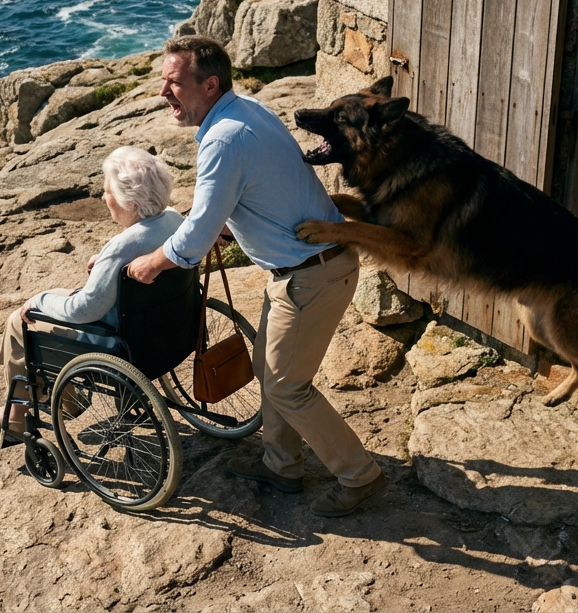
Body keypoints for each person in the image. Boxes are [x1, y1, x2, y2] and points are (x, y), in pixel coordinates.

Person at [126, 35, 385, 518]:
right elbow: (257, 188)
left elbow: (194, 236)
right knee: (271, 373)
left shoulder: (224, 138)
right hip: (306, 269)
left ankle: (360, 476)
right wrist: (225, 222)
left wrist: (152, 262)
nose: (163, 92)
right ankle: (281, 466)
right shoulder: (246, 111)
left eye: (173, 82)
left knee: (286, 386)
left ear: (209, 85)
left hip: (310, 276)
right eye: (163, 81)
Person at [0, 146, 183, 432]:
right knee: (60, 294)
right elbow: (137, 255)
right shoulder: (174, 219)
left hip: (117, 340)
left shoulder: (121, 247)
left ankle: (18, 414)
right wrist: (105, 264)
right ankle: (68, 400)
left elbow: (84, 310)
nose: (104, 198)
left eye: (107, 191)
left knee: (19, 321)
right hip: (165, 327)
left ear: (130, 202)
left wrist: (38, 299)